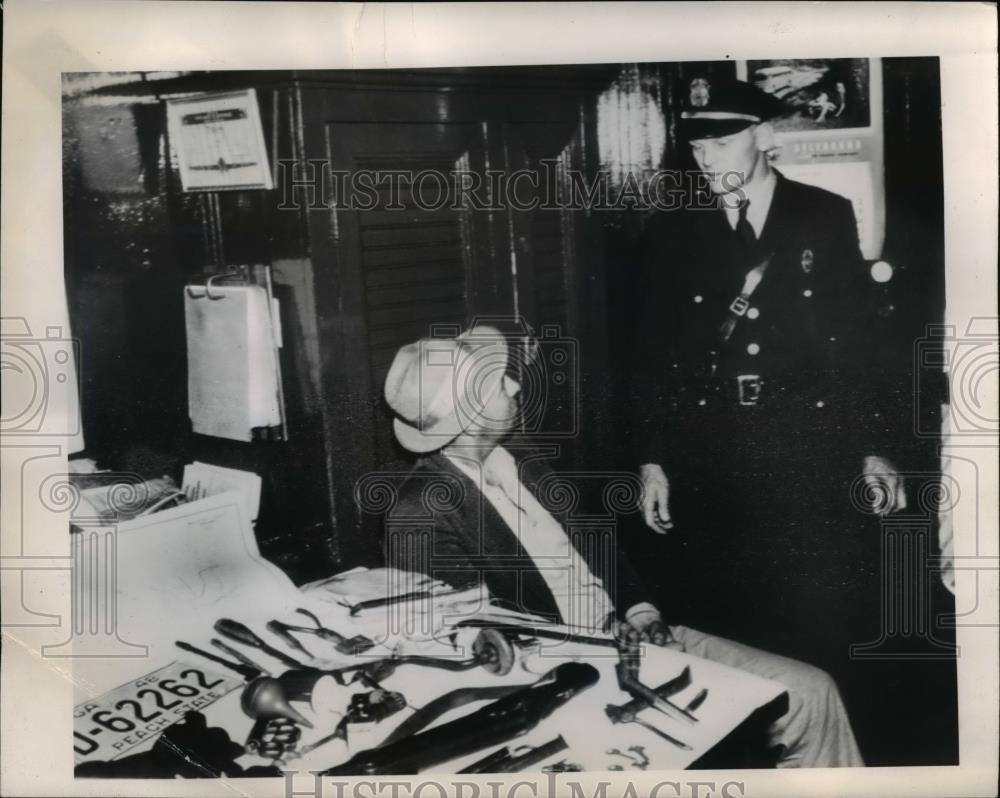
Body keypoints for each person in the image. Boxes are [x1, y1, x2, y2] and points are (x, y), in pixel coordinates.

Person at [377, 322, 863, 768]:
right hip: (576, 676)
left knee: (812, 693)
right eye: (498, 384)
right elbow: (477, 646)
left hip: (637, 639)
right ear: (470, 411)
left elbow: (598, 546)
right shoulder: (422, 510)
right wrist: (606, 647)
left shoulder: (519, 458)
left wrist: (641, 613)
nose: (515, 386)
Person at [629, 76, 906, 735]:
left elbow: (860, 347)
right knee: (727, 622)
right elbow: (642, 358)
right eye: (697, 149)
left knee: (814, 618)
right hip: (708, 458)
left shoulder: (824, 216)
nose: (707, 161)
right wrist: (651, 461)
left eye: (721, 143)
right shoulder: (670, 233)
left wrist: (873, 447)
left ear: (764, 137)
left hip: (806, 453)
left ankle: (822, 744)